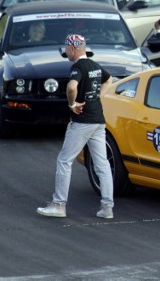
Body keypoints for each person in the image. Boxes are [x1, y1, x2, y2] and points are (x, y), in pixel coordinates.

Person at [37, 34, 114, 218]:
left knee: (65, 160)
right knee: (102, 163)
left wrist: (72, 104)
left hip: (82, 121)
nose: (65, 52)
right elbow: (109, 79)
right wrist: (98, 97)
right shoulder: (95, 66)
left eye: (66, 49)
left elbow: (72, 87)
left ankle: (59, 205)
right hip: (98, 120)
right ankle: (107, 208)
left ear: (73, 48)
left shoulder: (78, 67)